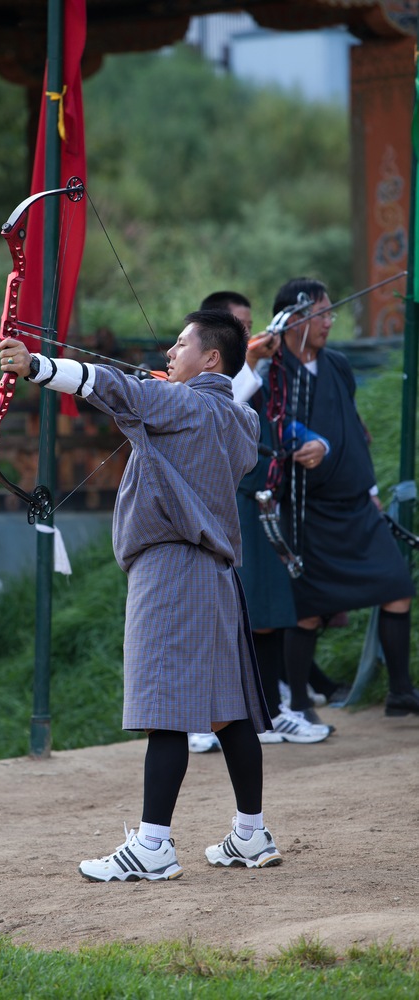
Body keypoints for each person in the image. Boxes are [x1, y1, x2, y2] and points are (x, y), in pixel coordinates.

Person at [0, 310, 282, 880]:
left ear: (212, 359)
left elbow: (113, 386)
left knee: (166, 710)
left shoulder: (184, 405)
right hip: (217, 575)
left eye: (182, 345)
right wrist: (160, 398)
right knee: (228, 710)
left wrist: (35, 366)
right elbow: (198, 409)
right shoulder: (241, 419)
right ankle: (250, 834)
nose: (170, 353)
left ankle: (154, 846)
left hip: (171, 569)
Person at [188, 292, 330, 751]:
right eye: (239, 326)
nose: (249, 334)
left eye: (250, 326)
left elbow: (275, 419)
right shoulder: (195, 380)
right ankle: (201, 719)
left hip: (259, 501)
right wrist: (248, 362)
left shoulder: (254, 370)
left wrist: (313, 442)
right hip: (222, 507)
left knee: (264, 612)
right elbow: (226, 403)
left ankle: (267, 710)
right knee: (219, 615)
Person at [271, 277, 417, 717]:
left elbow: (353, 426)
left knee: (396, 586)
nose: (329, 322)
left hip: (357, 502)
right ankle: (298, 701)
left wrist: (371, 489)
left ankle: (400, 690)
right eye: (321, 314)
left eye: (331, 313)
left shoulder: (336, 364)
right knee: (308, 610)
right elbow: (271, 426)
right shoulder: (275, 371)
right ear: (293, 318)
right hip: (308, 509)